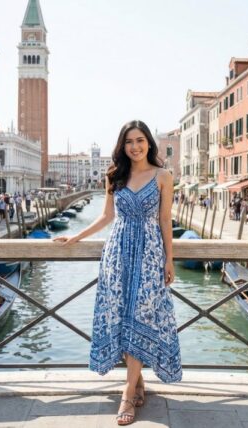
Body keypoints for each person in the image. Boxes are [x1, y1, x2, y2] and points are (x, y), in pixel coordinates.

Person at [53, 120, 181, 425]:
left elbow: (165, 221)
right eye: (128, 142)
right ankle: (137, 382)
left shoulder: (163, 176)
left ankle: (127, 392)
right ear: (122, 146)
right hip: (117, 254)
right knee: (121, 317)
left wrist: (169, 259)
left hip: (149, 255)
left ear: (149, 142)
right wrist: (75, 238)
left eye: (139, 140)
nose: (134, 147)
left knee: (140, 316)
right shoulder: (115, 175)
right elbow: (106, 216)